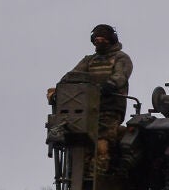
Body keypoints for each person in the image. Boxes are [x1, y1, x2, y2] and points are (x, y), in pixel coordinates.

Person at [57, 23, 133, 173]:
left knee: (102, 144)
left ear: (111, 39)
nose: (99, 42)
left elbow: (120, 76)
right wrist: (59, 88)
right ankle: (83, 178)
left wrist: (109, 85)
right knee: (82, 146)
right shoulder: (89, 60)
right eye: (96, 40)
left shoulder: (121, 58)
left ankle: (100, 176)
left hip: (110, 108)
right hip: (87, 108)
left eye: (103, 39)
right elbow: (72, 76)